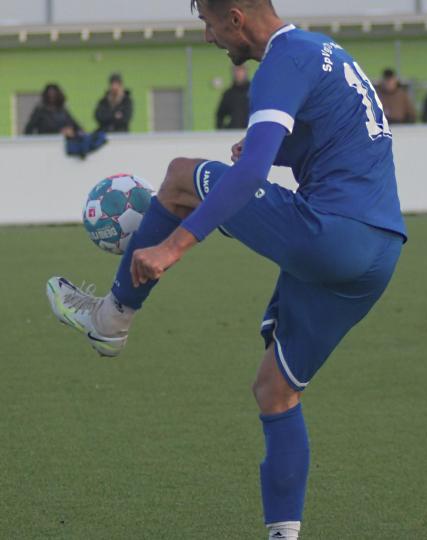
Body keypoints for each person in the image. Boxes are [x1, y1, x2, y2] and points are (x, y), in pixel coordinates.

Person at [45, 1, 406, 539]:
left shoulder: (282, 61)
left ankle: (110, 319)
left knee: (179, 177)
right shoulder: (323, 50)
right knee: (275, 391)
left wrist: (173, 247)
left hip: (331, 232)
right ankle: (283, 535)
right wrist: (281, 151)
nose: (209, 37)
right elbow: (338, 137)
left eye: (209, 24)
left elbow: (250, 173)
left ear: (236, 18)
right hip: (381, 249)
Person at [216, 63, 251, 129]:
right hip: (233, 134)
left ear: (246, 71)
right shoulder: (228, 94)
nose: (239, 73)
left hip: (251, 133)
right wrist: (223, 132)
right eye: (236, 70)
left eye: (241, 70)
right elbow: (220, 115)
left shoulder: (255, 92)